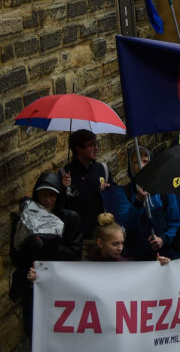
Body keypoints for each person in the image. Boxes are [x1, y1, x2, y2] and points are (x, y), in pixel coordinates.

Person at [10, 173, 83, 337]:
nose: (47, 200)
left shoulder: (70, 219)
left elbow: (75, 254)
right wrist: (27, 244)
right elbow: (15, 258)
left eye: (52, 195)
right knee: (36, 334)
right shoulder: (24, 218)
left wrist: (54, 246)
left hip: (62, 288)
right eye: (43, 195)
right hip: (34, 288)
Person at [114, 147, 180, 261]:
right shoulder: (123, 192)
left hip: (165, 253)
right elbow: (128, 225)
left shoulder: (164, 190)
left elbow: (176, 222)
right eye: (136, 162)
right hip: (136, 256)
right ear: (131, 166)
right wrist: (138, 201)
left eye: (145, 161)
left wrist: (163, 239)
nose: (141, 165)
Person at [61, 128, 114, 239]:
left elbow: (115, 201)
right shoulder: (65, 174)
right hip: (78, 239)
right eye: (91, 145)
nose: (97, 148)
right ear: (78, 148)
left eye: (97, 144)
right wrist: (64, 188)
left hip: (102, 236)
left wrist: (108, 191)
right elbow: (61, 208)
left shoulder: (102, 169)